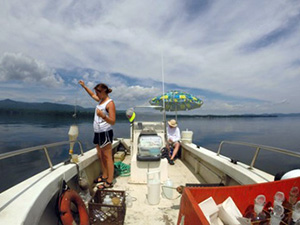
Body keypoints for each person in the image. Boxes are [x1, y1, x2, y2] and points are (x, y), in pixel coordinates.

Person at [79, 80, 116, 189]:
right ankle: (104, 176)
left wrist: (103, 116)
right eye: (96, 93)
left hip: (105, 132)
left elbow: (113, 121)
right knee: (100, 155)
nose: (97, 95)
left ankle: (109, 181)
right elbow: (92, 95)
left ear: (104, 91)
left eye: (98, 92)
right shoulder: (100, 101)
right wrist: (84, 86)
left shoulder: (110, 103)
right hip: (97, 132)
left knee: (107, 157)